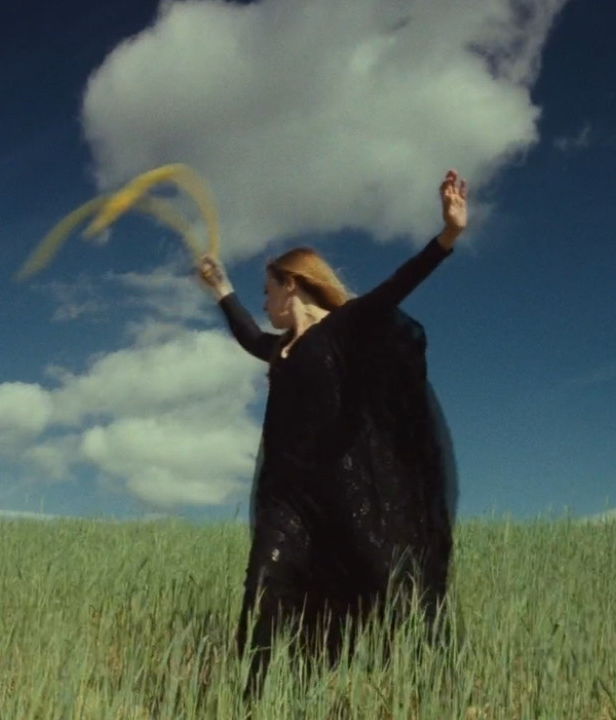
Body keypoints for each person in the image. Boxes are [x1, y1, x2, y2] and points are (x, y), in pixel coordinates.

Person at [195, 170, 467, 700]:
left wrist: (449, 234)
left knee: (388, 594)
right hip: (285, 501)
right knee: (262, 592)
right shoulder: (280, 349)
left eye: (268, 291)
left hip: (346, 497)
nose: (265, 303)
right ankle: (253, 703)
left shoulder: (341, 329)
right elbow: (249, 335)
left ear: (290, 285)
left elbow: (397, 285)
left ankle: (431, 687)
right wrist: (221, 288)